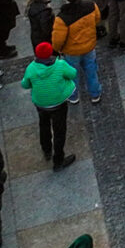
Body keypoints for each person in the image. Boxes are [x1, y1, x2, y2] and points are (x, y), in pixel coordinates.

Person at [20, 41, 79, 170]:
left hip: (41, 104)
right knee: (59, 131)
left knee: (44, 125)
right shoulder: (60, 65)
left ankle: (46, 150)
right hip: (58, 103)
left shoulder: (31, 68)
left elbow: (25, 84)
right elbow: (73, 73)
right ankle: (58, 160)